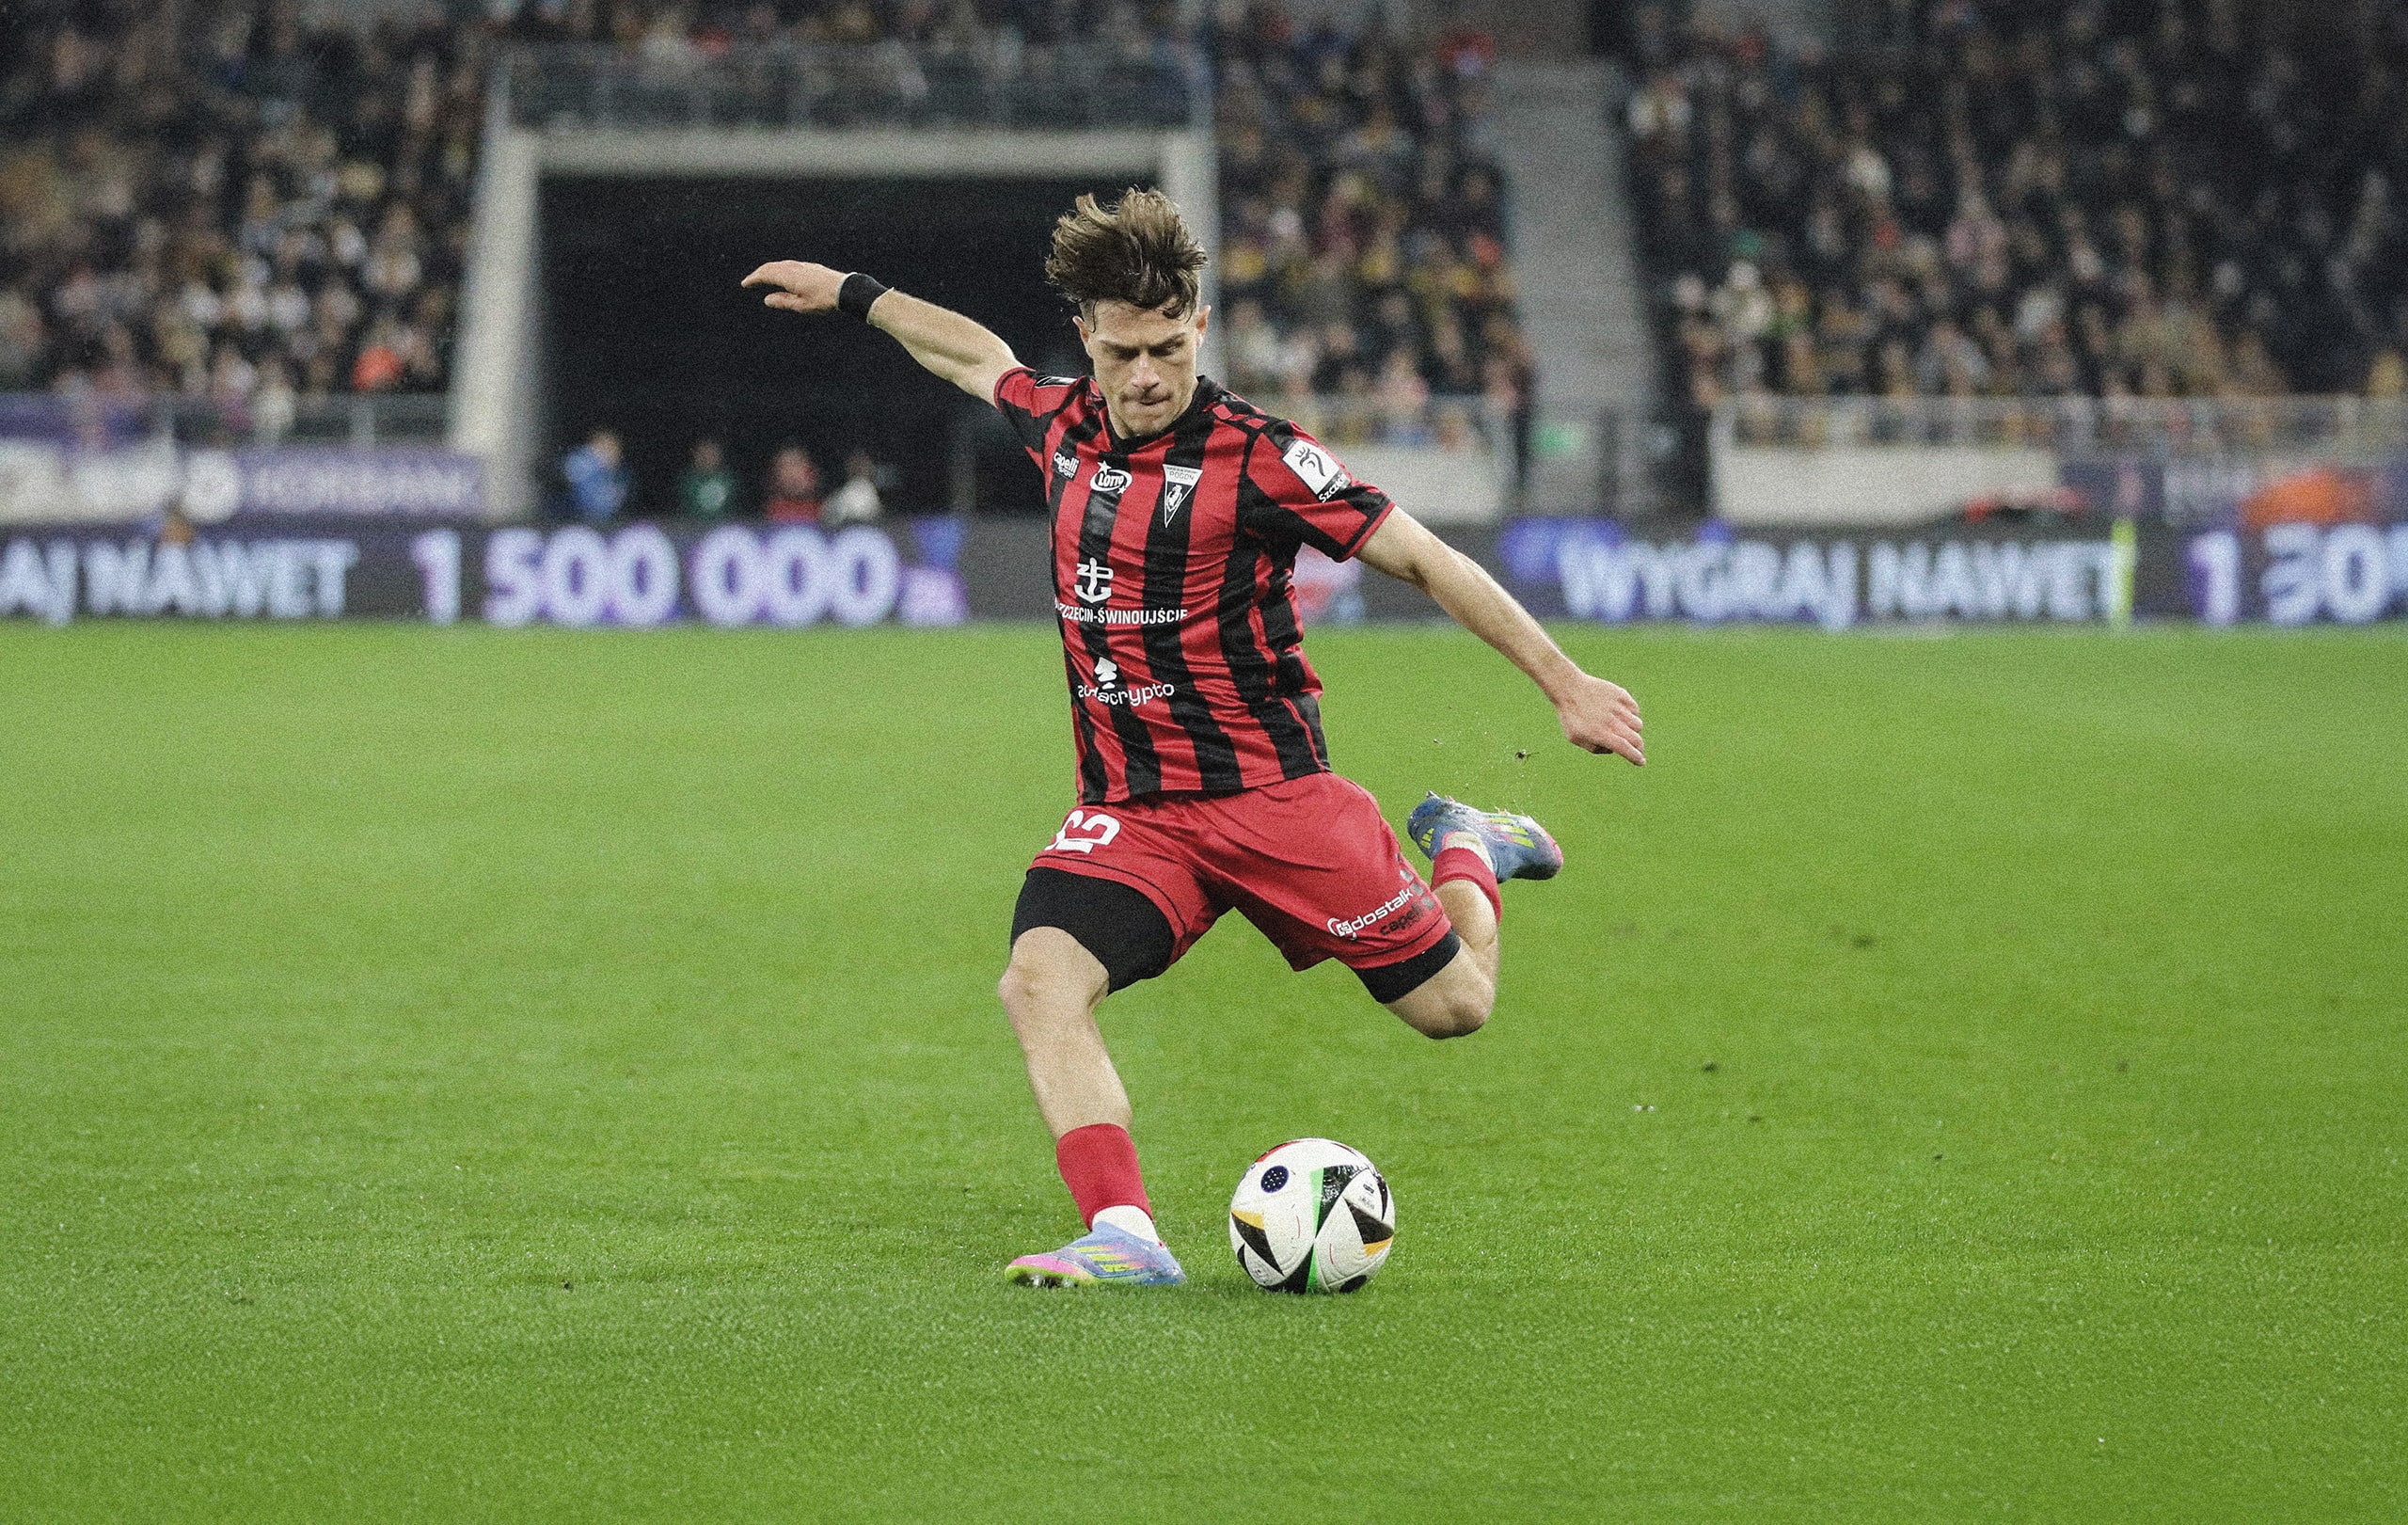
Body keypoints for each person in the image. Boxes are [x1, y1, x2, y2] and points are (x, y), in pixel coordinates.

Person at [742, 188, 1643, 1289]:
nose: (1146, 375)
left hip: (1275, 800)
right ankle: (1124, 1233)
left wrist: (1565, 683)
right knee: (1037, 981)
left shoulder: (1261, 458)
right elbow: (974, 356)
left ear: (1201, 328)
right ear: (1087, 337)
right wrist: (854, 294)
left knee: (1456, 1009)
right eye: (1122, 352)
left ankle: (1468, 845)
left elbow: (1425, 557)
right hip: (1133, 813)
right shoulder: (1060, 423)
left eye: (1169, 348)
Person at [562, 429, 628, 523]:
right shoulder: (580, 460)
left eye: (614, 447)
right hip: (575, 518)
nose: (613, 452)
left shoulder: (620, 472)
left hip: (607, 520)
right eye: (606, 446)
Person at [762, 443, 822, 523]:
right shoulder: (767, 516)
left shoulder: (827, 513)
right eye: (786, 466)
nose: (793, 474)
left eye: (797, 464)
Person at [678, 437, 737, 518]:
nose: (706, 459)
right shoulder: (686, 481)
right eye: (702, 454)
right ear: (694, 455)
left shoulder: (729, 481)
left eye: (711, 454)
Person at [823, 450, 884, 525]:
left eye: (863, 464)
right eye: (856, 464)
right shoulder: (839, 495)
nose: (860, 468)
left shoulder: (874, 491)